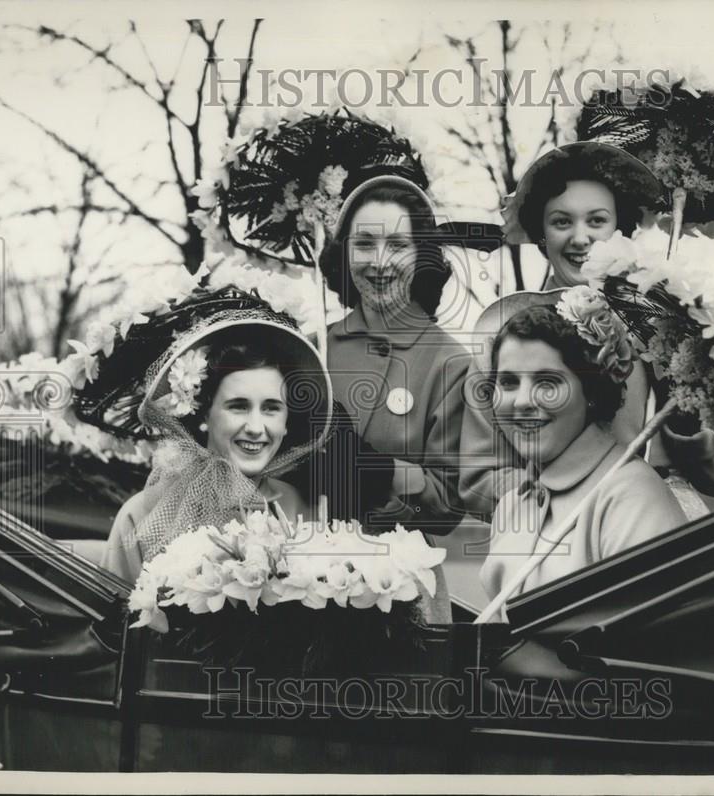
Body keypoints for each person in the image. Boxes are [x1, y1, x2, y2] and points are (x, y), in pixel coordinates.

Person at [459, 143, 714, 520]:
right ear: (541, 234)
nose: (580, 238)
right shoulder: (502, 329)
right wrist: (563, 500)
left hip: (659, 523)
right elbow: (479, 477)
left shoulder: (666, 323)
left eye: (597, 221)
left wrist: (682, 411)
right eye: (562, 222)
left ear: (619, 228)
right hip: (550, 535)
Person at [319, 174, 473, 622]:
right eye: (364, 244)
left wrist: (379, 470)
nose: (379, 262)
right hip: (303, 581)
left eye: (398, 246)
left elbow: (447, 506)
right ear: (343, 253)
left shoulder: (451, 362)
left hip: (402, 596)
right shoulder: (312, 347)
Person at [479, 292, 687, 604]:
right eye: (508, 382)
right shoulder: (512, 505)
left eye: (547, 383)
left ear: (590, 390)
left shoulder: (632, 498)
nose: (522, 402)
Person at [99, 305, 333, 583]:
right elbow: (116, 620)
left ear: (286, 421)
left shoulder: (306, 510)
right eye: (238, 407)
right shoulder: (143, 516)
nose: (256, 428)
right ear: (206, 413)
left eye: (271, 408)